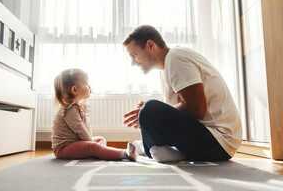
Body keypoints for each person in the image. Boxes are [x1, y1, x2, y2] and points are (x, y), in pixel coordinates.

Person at [123, 25, 242, 162]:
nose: (133, 62)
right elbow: (181, 112)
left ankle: (153, 149)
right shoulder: (165, 69)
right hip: (213, 141)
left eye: (134, 55)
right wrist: (158, 113)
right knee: (149, 110)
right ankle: (157, 149)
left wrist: (154, 112)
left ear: (150, 45)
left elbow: (197, 109)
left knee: (150, 108)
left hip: (219, 142)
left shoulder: (176, 58)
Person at [52, 68, 136, 161]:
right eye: (86, 84)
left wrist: (92, 142)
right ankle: (125, 154)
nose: (89, 86)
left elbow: (86, 129)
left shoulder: (78, 106)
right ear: (75, 89)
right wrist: (92, 144)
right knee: (93, 146)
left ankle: (96, 153)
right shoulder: (69, 109)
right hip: (63, 149)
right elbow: (80, 130)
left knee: (100, 139)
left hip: (75, 143)